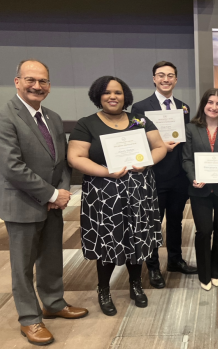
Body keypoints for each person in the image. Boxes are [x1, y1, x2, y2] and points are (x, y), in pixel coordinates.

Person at [0, 59, 88, 346]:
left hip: (52, 205)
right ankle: (29, 319)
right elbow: (12, 167)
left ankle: (53, 303)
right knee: (23, 266)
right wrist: (52, 194)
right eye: (30, 80)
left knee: (51, 258)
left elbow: (63, 162)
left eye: (43, 81)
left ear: (49, 86)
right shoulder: (1, 116)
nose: (37, 86)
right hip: (21, 205)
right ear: (17, 82)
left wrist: (62, 192)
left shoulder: (52, 118)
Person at [67, 76, 167, 316]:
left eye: (118, 93)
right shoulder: (87, 123)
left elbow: (160, 146)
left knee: (137, 237)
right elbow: (76, 157)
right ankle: (104, 290)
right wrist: (105, 172)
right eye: (107, 92)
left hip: (138, 191)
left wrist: (147, 162)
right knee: (108, 241)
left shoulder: (140, 121)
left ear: (126, 96)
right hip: (104, 193)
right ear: (98, 96)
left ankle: (135, 284)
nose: (113, 97)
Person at [132, 61, 197, 290]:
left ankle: (175, 260)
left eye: (170, 75)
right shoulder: (140, 108)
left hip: (179, 175)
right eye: (161, 75)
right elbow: (137, 141)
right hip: (154, 175)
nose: (166, 79)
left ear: (176, 80)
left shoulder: (184, 107)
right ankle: (152, 266)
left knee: (177, 221)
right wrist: (160, 148)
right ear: (153, 78)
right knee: (153, 223)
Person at [182, 88, 218, 291]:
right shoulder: (191, 128)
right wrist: (193, 178)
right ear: (203, 104)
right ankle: (204, 273)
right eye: (210, 102)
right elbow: (187, 158)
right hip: (200, 189)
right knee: (204, 231)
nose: (214, 107)